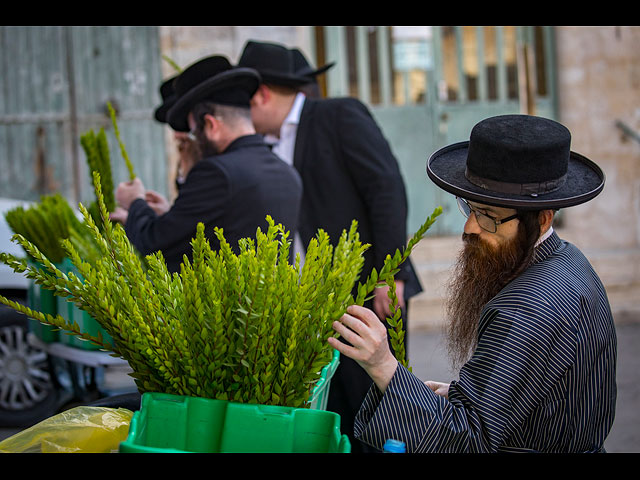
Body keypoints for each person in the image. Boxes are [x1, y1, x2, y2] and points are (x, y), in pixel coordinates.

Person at [329, 114, 617, 453]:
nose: (470, 227)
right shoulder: (570, 260)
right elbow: (541, 397)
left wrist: (382, 365)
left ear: (542, 218)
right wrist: (456, 395)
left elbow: (468, 438)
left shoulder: (524, 308)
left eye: (489, 217)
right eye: (470, 207)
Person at [236, 40, 423, 452]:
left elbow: (387, 190)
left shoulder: (338, 114)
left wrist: (391, 275)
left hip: (365, 292)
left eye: (243, 102)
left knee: (378, 408)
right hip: (311, 299)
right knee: (331, 410)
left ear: (262, 95)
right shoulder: (263, 144)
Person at [111, 55, 303, 274]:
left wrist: (134, 202)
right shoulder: (287, 172)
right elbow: (224, 226)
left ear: (210, 125)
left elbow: (155, 243)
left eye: (194, 133)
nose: (190, 141)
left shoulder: (216, 172)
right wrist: (170, 214)